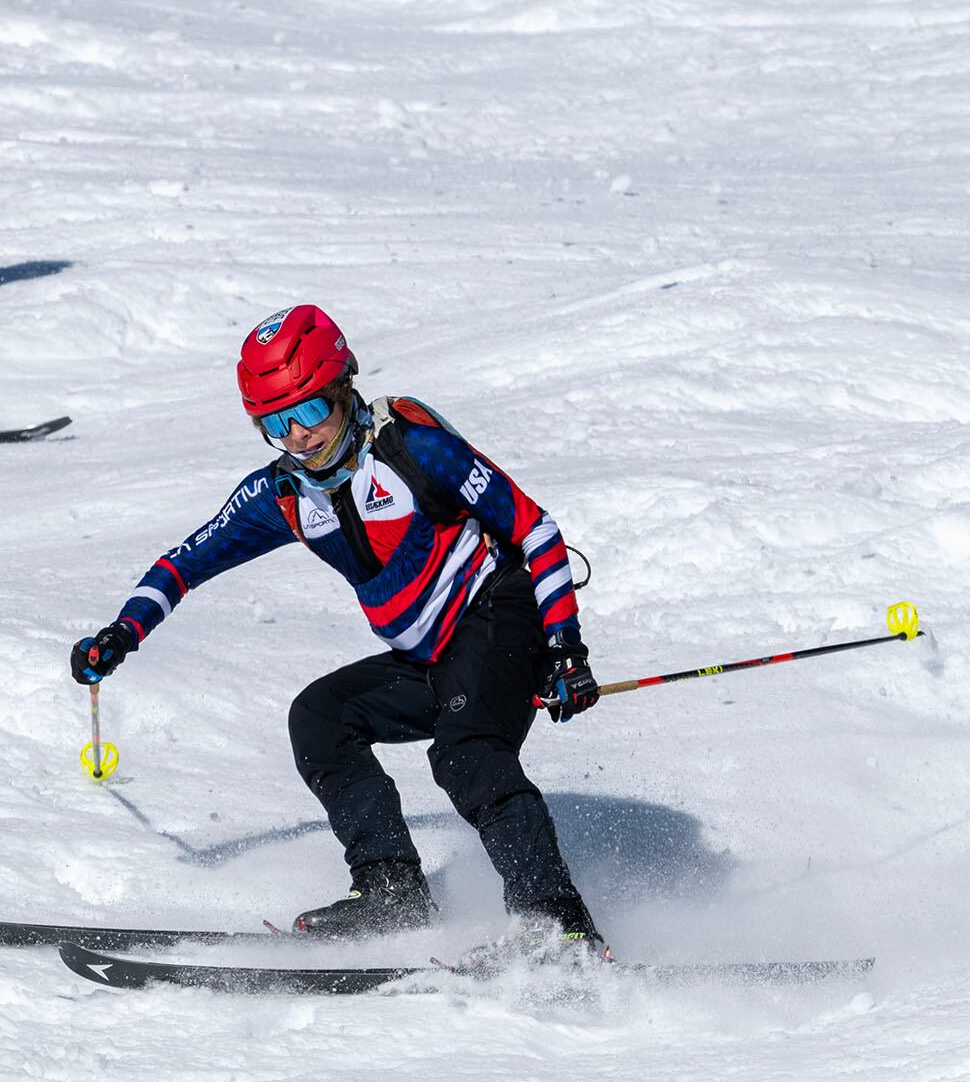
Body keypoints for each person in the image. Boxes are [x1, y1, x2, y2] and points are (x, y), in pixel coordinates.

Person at [70, 306, 610, 949]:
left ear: (344, 389)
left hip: (498, 617)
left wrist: (565, 649)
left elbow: (535, 529)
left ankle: (556, 924)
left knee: (466, 755)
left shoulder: (413, 448)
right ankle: (392, 891)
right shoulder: (283, 494)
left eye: (309, 412)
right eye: (275, 422)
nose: (297, 436)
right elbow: (184, 562)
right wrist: (122, 634)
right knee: (322, 719)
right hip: (427, 657)